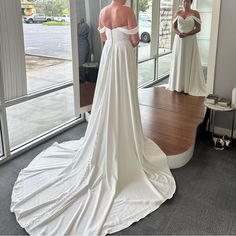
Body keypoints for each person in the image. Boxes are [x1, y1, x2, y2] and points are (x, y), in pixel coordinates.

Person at [11, 1, 176, 235]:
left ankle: (108, 129)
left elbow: (104, 39)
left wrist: (115, 37)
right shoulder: (127, 11)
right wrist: (126, 39)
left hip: (110, 56)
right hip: (122, 56)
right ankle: (123, 131)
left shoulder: (103, 12)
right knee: (123, 96)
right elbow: (136, 40)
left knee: (107, 95)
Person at [167, 0, 206, 96]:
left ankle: (188, 86)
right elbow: (174, 28)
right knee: (179, 60)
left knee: (188, 60)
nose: (185, 3)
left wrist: (187, 34)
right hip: (179, 41)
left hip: (190, 41)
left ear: (191, 2)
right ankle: (178, 85)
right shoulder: (178, 13)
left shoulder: (195, 13)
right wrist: (179, 33)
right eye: (184, 1)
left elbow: (198, 28)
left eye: (187, 1)